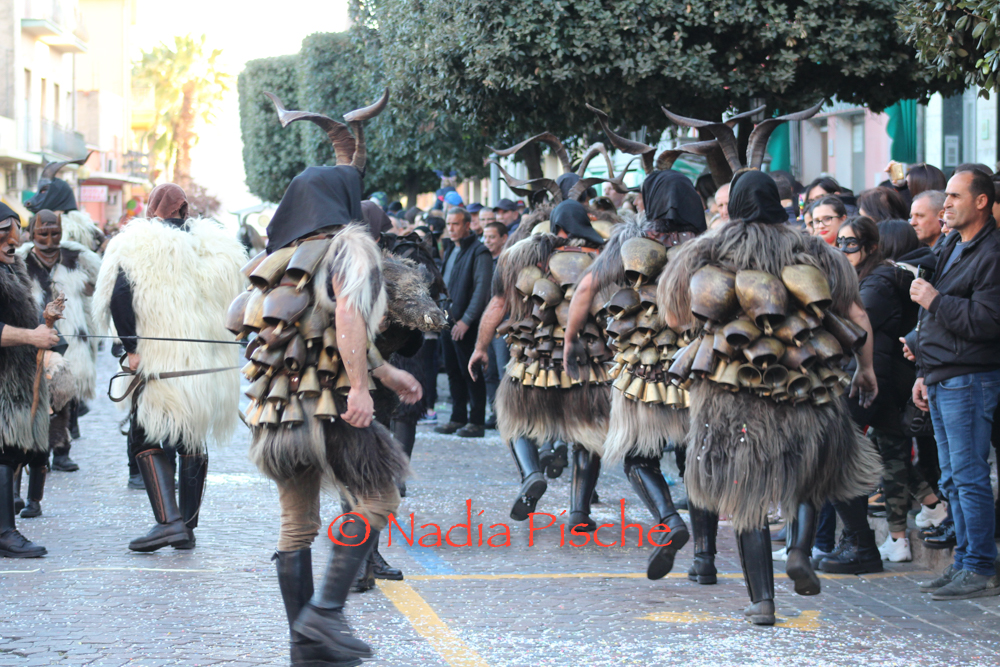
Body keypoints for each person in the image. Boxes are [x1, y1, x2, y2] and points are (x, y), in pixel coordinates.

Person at [659, 170, 881, 625]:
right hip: (806, 384)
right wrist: (867, 369)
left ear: (735, 206)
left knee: (746, 495)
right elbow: (856, 314)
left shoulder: (707, 250)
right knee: (809, 473)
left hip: (732, 393)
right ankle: (799, 550)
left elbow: (675, 314)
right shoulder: (816, 250)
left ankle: (762, 600)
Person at [252, 89, 428, 665]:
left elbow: (307, 327)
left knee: (296, 523)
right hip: (329, 403)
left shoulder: (277, 257)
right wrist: (359, 385)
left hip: (276, 409)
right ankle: (325, 613)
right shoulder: (350, 243)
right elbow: (348, 313)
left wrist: (385, 371)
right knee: (380, 498)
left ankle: (303, 646)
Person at [566, 169, 711, 582]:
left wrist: (570, 339)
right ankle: (705, 561)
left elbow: (586, 288)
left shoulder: (630, 241)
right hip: (699, 369)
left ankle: (669, 520)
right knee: (696, 462)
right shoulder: (710, 245)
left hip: (645, 373)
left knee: (637, 456)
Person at [95, 183, 246, 553]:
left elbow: (118, 296)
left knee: (144, 437)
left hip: (160, 363)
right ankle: (187, 529)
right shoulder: (219, 248)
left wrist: (131, 348)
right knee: (191, 439)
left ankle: (170, 523)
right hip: (208, 367)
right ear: (185, 210)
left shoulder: (137, 243)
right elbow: (239, 303)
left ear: (152, 210)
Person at [469, 199, 610, 530]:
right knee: (588, 435)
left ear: (554, 226)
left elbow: (497, 305)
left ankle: (531, 473)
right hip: (584, 362)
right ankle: (579, 512)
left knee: (515, 421)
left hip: (533, 361)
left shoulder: (518, 257)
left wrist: (480, 348)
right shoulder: (601, 256)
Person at [910, 165, 1000, 601]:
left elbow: (987, 322)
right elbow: (934, 318)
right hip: (943, 375)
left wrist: (935, 301)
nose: (945, 203)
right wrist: (922, 370)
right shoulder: (953, 244)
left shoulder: (992, 252)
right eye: (945, 195)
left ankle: (979, 565)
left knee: (968, 475)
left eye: (954, 196)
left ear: (981, 201)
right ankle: (965, 561)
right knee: (952, 478)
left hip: (970, 378)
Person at [835, 217, 943, 564]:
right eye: (840, 243)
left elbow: (853, 325)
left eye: (851, 243)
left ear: (872, 246)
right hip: (874, 380)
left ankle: (892, 536)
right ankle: (925, 512)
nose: (844, 249)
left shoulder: (879, 281)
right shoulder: (869, 278)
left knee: (879, 457)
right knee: (885, 456)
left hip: (877, 383)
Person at [16, 210, 101, 481]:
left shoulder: (76, 258)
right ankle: (36, 452)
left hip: (71, 337)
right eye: (43, 233)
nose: (50, 240)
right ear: (32, 233)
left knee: (66, 393)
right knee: (36, 394)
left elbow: (98, 287)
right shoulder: (20, 261)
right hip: (34, 335)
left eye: (55, 233)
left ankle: (62, 450)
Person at [0, 203, 61, 558]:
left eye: (14, 232)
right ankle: (5, 533)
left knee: (10, 452)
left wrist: (45, 321)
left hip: (16, 377)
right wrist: (31, 336)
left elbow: (19, 318)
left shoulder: (12, 268)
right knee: (3, 453)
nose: (13, 241)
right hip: (3, 380)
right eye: (3, 234)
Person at [435, 207, 492, 438]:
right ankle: (457, 417)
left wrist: (466, 321)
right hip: (447, 320)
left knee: (471, 372)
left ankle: (476, 421)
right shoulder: (450, 248)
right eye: (448, 224)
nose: (451, 228)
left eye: (455, 224)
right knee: (452, 371)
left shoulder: (479, 251)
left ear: (467, 225)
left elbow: (481, 291)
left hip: (468, 324)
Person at [482, 222, 509, 428]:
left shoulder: (507, 262)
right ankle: (494, 412)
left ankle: (507, 414)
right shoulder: (482, 260)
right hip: (485, 325)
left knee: (503, 371)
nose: (487, 241)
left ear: (503, 238)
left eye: (492, 237)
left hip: (503, 325)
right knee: (489, 372)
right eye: (485, 237)